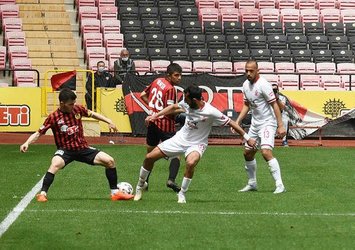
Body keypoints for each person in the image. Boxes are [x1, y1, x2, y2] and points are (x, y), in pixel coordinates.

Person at [134, 84, 257, 203]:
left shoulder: (211, 111)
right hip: (180, 139)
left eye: (186, 99)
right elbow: (173, 107)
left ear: (194, 99)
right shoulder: (187, 104)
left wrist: (247, 137)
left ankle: (182, 193)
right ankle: (140, 186)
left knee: (191, 163)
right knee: (149, 157)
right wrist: (155, 116)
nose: (184, 101)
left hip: (197, 144)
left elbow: (231, 122)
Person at [20, 88, 134, 202]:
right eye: (70, 104)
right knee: (55, 164)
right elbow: (39, 133)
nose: (73, 106)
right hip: (66, 150)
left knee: (110, 161)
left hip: (82, 148)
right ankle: (42, 194)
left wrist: (109, 121)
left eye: (74, 103)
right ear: (62, 103)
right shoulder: (53, 117)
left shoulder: (77, 109)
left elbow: (92, 114)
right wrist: (27, 142)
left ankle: (115, 193)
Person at [235, 59, 286, 194]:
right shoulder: (245, 85)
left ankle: (280, 184)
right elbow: (246, 105)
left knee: (265, 152)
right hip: (255, 124)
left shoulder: (263, 85)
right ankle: (252, 183)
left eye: (251, 70)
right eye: (246, 70)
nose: (248, 73)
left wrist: (280, 125)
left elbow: (274, 104)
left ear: (258, 71)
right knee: (248, 153)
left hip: (267, 123)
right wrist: (238, 121)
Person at [140, 63, 183, 193]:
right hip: (165, 126)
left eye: (180, 75)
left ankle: (144, 182)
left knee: (150, 154)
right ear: (168, 75)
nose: (179, 78)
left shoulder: (157, 81)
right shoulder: (170, 89)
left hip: (152, 123)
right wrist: (181, 110)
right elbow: (169, 111)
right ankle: (171, 180)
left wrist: (153, 109)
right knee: (177, 154)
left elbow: (142, 95)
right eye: (176, 75)